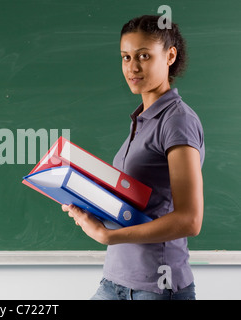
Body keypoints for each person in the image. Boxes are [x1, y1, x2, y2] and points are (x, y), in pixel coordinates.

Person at [62, 15, 204, 300]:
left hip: (156, 287)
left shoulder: (177, 121)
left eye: (143, 56)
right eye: (126, 57)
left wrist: (108, 236)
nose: (132, 67)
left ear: (170, 56)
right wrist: (91, 205)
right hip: (115, 280)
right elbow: (143, 204)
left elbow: (190, 219)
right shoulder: (142, 119)